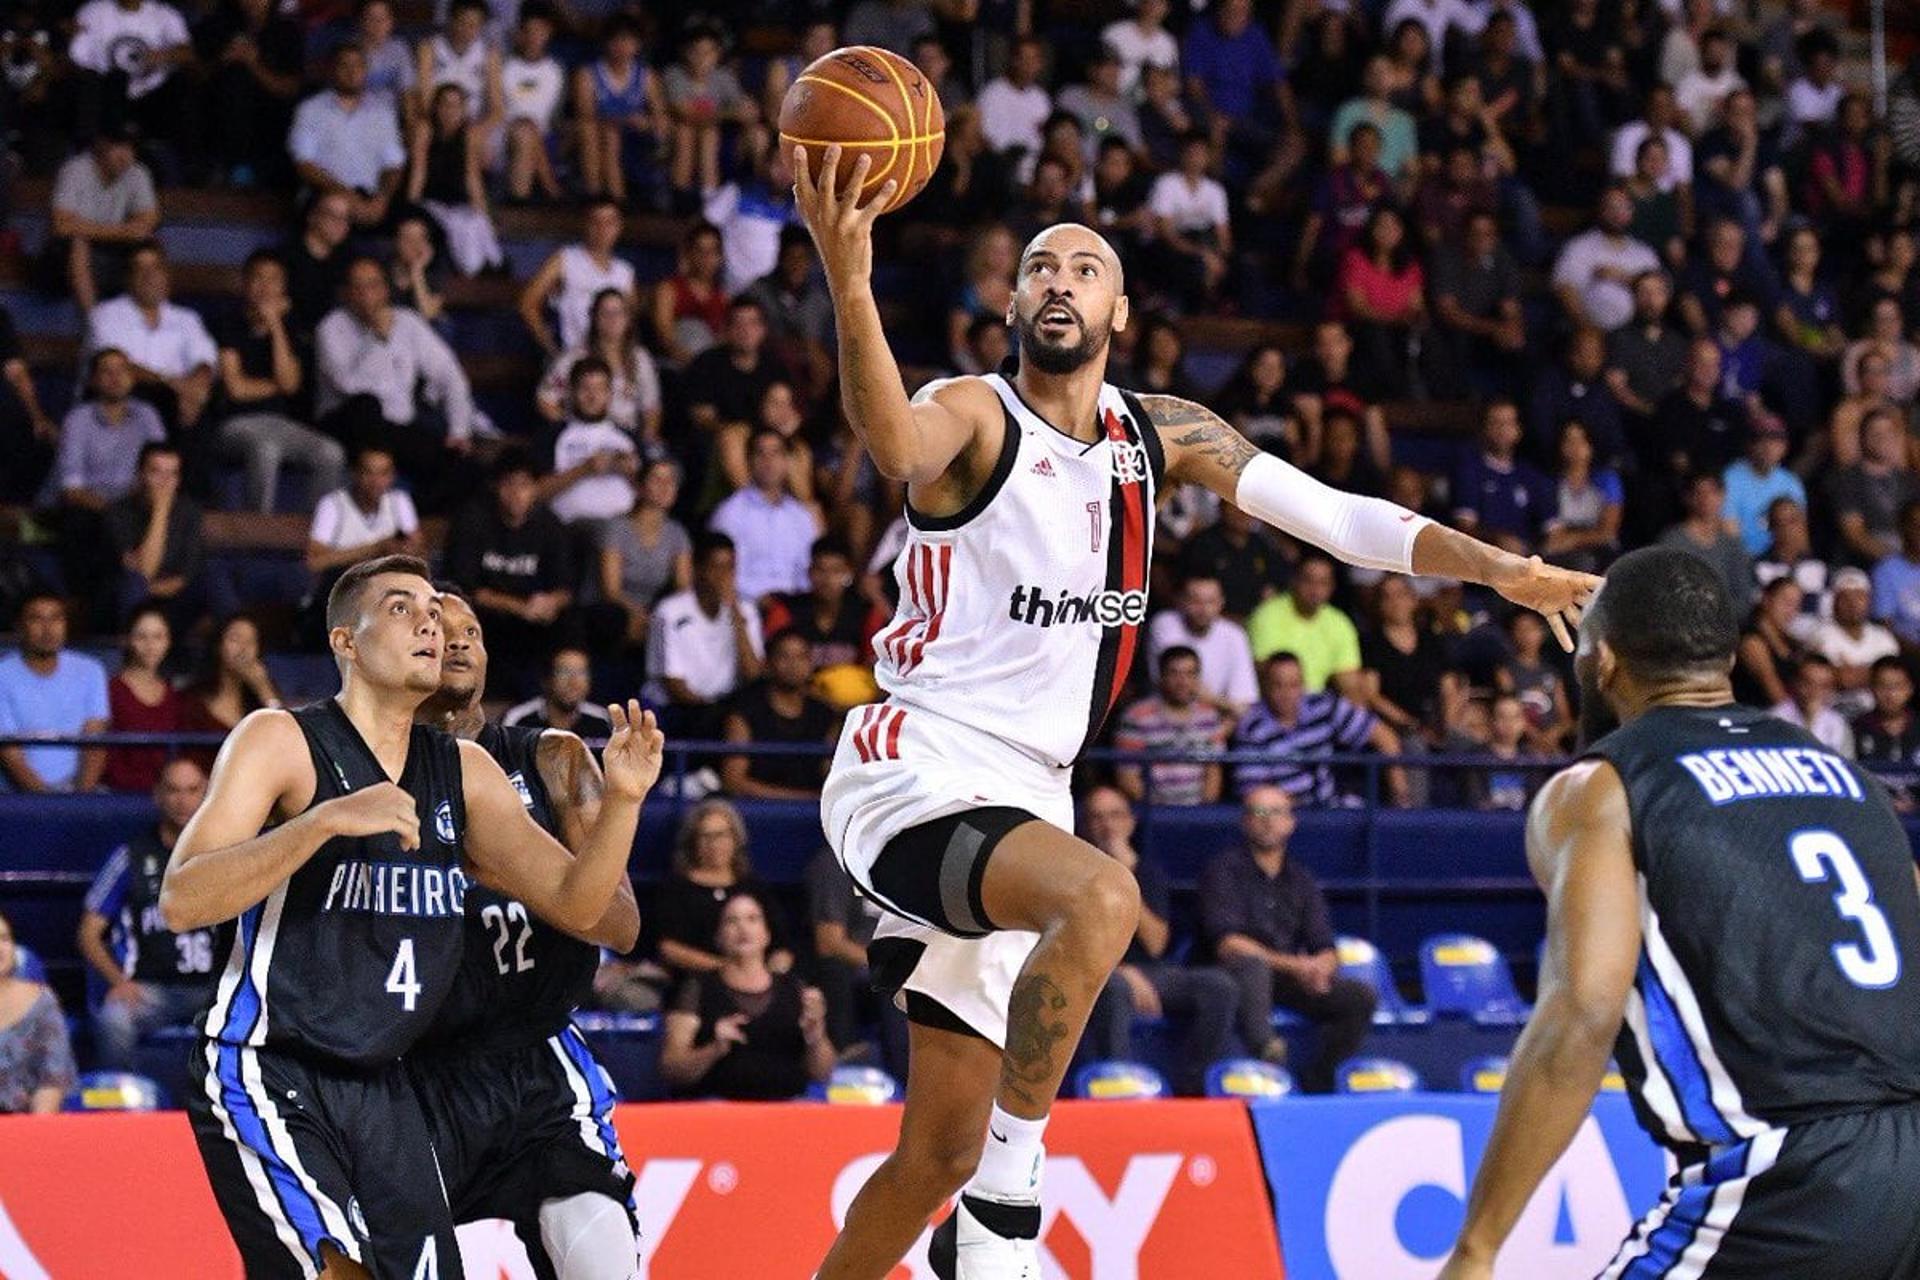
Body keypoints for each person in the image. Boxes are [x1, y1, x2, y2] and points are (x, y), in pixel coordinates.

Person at [793, 153, 1593, 1279]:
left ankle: (957, 1195)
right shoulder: (969, 410)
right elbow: (892, 444)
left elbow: (1333, 517)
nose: (1060, 280)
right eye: (1039, 267)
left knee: (933, 1149)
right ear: (1013, 304)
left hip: (1028, 788)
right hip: (916, 759)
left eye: (1086, 266)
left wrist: (1495, 568)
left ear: (1121, 309)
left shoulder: (1160, 433)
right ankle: (1011, 1203)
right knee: (1106, 894)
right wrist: (848, 278)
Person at [164, 554, 661, 1277]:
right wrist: (324, 823)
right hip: (272, 1061)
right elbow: (182, 899)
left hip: (385, 1084)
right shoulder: (280, 740)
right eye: (403, 608)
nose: (430, 623)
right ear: (346, 642)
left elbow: (583, 907)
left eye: (436, 609)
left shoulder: (466, 774)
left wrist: (622, 802)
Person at [1439, 547, 1920, 1280]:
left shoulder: (1598, 786)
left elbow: (1584, 1009)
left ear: (1602, 663)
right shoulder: (1852, 779)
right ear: (1725, 656)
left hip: (1790, 1171)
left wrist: (1478, 1247)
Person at [410, 587, 643, 1278]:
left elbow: (623, 926)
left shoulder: (554, 758)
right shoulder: (364, 777)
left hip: (535, 1064)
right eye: (435, 629)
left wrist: (513, 870)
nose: (456, 641)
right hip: (411, 1071)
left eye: (472, 631)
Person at [1199, 786, 1376, 1091]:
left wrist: (1321, 967)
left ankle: (1319, 1080)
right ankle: (1267, 1055)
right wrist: (1298, 967)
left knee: (1359, 997)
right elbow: (1228, 944)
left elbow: (1324, 943)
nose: (1268, 821)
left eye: (1277, 813)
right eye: (1259, 813)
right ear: (1245, 822)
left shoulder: (1301, 878)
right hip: (1231, 975)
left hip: (1285, 978)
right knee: (1252, 965)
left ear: (1291, 823)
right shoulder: (1223, 871)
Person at [1078, 786, 1236, 1097]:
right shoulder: (1076, 872)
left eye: (1115, 815)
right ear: (1084, 826)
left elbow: (1155, 943)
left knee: (1219, 985)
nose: (1107, 825)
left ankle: (1192, 1086)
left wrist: (1125, 873)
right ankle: (1116, 1088)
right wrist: (1121, 970)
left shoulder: (1147, 871)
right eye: (1097, 817)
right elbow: (1074, 945)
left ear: (1130, 823)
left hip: (1153, 970)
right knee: (1116, 988)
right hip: (1097, 973)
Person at [78, 758, 214, 1068]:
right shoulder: (131, 856)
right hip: (150, 989)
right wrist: (118, 981)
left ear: (206, 794)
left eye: (192, 790)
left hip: (213, 988)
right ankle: (124, 1107)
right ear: (158, 795)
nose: (183, 800)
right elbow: (88, 933)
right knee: (114, 1021)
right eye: (174, 790)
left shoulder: (224, 853)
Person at [314, 257, 480, 503]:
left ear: (385, 289)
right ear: (347, 293)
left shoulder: (407, 322)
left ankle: (411, 514)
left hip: (395, 429)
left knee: (465, 465)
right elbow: (347, 385)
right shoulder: (331, 327)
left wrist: (458, 430)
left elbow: (449, 374)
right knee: (367, 405)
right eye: (358, 287)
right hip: (344, 422)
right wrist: (376, 339)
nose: (366, 294)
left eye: (373, 286)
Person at [658, 893, 834, 1100]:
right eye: (732, 921)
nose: (743, 928)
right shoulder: (698, 988)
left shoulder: (795, 988)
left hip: (786, 1110)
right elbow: (671, 1068)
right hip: (717, 1112)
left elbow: (822, 1073)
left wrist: (816, 1036)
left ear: (766, 933)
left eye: (752, 919)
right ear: (719, 936)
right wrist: (714, 1049)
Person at [216, 251, 346, 514]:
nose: (265, 287)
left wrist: (275, 323)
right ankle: (259, 527)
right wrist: (276, 385)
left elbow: (290, 383)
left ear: (283, 288)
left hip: (280, 423)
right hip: (234, 424)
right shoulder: (227, 324)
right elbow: (236, 389)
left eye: (273, 280)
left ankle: (318, 536)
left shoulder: (290, 328)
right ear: (245, 283)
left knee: (331, 452)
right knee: (266, 448)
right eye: (258, 278)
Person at [445, 451, 576, 681]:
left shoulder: (550, 525)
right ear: (496, 487)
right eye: (509, 485)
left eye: (524, 486)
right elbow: (467, 589)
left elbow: (565, 588)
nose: (516, 494)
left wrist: (551, 602)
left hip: (533, 614)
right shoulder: (472, 521)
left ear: (535, 489)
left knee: (569, 621)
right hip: (487, 614)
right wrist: (520, 608)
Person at [1233, 652, 1406, 806]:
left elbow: (1385, 738)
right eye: (1278, 685)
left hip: (1329, 808)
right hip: (1280, 815)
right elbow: (1252, 793)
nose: (1286, 694)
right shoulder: (1251, 728)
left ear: (1303, 685)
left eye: (1293, 685)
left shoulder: (1324, 706)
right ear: (1265, 687)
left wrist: (1401, 799)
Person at [648, 799, 793, 982]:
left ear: (736, 839)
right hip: (695, 982)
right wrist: (727, 971)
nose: (714, 844)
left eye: (721, 835)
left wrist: (772, 976)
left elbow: (781, 944)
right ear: (693, 842)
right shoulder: (677, 887)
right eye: (705, 836)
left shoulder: (753, 885)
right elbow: (668, 947)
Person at [84, 241, 218, 433]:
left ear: (167, 275)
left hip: (180, 401)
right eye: (140, 269)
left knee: (207, 400)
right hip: (128, 398)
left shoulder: (187, 318)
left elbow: (205, 361)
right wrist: (173, 385)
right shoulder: (105, 315)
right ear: (128, 278)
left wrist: (194, 389)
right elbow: (115, 367)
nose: (149, 276)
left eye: (156, 268)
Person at [645, 532, 764, 739]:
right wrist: (713, 710)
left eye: (730, 568)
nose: (723, 576)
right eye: (716, 567)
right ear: (698, 569)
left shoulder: (746, 611)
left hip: (726, 708)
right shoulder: (670, 611)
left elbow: (754, 675)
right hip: (676, 709)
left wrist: (734, 612)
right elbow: (674, 685)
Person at [288, 42, 405, 229]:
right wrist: (345, 196)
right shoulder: (310, 110)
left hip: (371, 197)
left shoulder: (383, 113)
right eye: (344, 65)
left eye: (357, 66)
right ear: (332, 70)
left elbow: (393, 165)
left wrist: (382, 199)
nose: (352, 72)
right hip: (325, 193)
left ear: (365, 70)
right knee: (335, 211)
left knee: (412, 223)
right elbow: (304, 163)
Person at [0, 592, 109, 794]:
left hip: (81, 793)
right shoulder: (2, 674)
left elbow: (95, 743)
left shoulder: (91, 670)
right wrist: (50, 806)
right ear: (19, 626)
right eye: (37, 619)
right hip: (20, 797)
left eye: (56, 618)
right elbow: (10, 754)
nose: (48, 628)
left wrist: (79, 800)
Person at [709, 428, 825, 604]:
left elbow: (810, 570)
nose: (768, 461)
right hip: (747, 607)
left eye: (776, 453)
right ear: (749, 461)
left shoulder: (801, 516)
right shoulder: (729, 513)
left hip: (797, 609)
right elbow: (721, 575)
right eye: (760, 453)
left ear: (786, 461)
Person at [49, 125, 158, 312]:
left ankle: (144, 323)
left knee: (147, 249)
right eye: (118, 146)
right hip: (62, 259)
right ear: (101, 146)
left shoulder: (138, 173)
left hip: (114, 252)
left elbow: (147, 223)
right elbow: (61, 225)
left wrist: (85, 227)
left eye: (130, 148)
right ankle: (94, 326)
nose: (125, 155)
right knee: (79, 244)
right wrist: (123, 231)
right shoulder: (75, 170)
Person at [536, 288, 663, 445]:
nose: (612, 319)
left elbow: (651, 408)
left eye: (618, 313)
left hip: (626, 436)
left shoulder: (640, 358)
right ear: (594, 317)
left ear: (628, 318)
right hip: (583, 437)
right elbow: (546, 400)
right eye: (605, 313)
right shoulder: (574, 358)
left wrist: (645, 444)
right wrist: (571, 430)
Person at [721, 628, 837, 799]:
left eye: (801, 657)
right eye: (784, 656)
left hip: (813, 813)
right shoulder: (745, 712)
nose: (793, 665)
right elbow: (733, 781)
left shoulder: (823, 714)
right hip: (758, 810)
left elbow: (831, 773)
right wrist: (799, 798)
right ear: (768, 663)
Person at [104, 441, 204, 629]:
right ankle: (133, 648)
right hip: (130, 599)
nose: (164, 482)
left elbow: (185, 575)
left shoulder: (190, 512)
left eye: (172, 474)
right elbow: (142, 572)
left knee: (215, 577)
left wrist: (155, 587)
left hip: (175, 596)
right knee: (133, 584)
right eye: (156, 472)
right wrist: (161, 511)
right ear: (141, 475)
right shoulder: (118, 512)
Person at [519, 200, 636, 360]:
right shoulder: (564, 259)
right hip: (572, 356)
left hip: (610, 359)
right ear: (586, 224)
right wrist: (553, 349)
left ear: (619, 227)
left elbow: (629, 320)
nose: (602, 229)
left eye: (609, 222)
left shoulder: (625, 271)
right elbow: (528, 304)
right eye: (595, 222)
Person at [407, 82, 503, 277]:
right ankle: (472, 272)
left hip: (457, 201)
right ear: (436, 107)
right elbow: (419, 170)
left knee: (477, 221)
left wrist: (483, 212)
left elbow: (472, 177)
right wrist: (411, 207)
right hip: (430, 200)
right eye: (446, 105)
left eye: (457, 106)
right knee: (460, 225)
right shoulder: (425, 130)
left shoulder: (469, 135)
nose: (451, 111)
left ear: (463, 109)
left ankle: (491, 268)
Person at [597, 458, 692, 650]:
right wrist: (641, 615)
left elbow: (684, 587)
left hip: (656, 612)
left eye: (671, 480)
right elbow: (611, 591)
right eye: (657, 480)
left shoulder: (677, 533)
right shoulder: (617, 528)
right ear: (640, 487)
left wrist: (662, 617)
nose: (665, 486)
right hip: (618, 611)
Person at [1113, 646, 1226, 805]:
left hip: (1198, 814)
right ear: (1161, 676)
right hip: (1151, 814)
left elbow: (1213, 772)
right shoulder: (1135, 716)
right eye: (1174, 673)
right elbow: (1127, 777)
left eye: (1190, 674)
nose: (1183, 682)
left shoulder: (1209, 717)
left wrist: (1202, 811)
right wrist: (1161, 812)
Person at [1246, 554, 1364, 694]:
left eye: (1323, 583)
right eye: (1309, 581)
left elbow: (1349, 682)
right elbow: (1264, 674)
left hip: (1318, 703)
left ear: (1332, 587)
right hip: (1275, 700)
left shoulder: (1340, 623)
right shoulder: (1266, 616)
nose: (1315, 590)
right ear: (1294, 580)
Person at [541, 358, 638, 526]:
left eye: (600, 389)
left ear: (609, 393)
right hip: (569, 528)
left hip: (621, 532)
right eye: (585, 388)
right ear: (571, 391)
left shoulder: (627, 437)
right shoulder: (554, 434)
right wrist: (584, 469)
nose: (592, 396)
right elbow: (535, 492)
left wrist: (633, 474)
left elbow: (654, 491)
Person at [179, 613, 282, 769]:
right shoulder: (194, 699)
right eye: (235, 639)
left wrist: (263, 689)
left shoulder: (259, 702)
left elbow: (283, 737)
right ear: (218, 645)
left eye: (250, 642)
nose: (243, 649)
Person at [104, 603, 186, 793]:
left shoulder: (174, 695)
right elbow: (108, 755)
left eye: (158, 637)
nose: (151, 645)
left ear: (169, 641)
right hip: (121, 795)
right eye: (142, 636)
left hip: (169, 796)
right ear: (127, 640)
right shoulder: (112, 691)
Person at [0, 911, 74, 1114]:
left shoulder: (42, 1002)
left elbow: (53, 1078)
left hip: (24, 1125)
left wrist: (34, 1134)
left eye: (5, 939)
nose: (1, 948)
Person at [1812, 568, 1900, 718]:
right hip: (1832, 715)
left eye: (1859, 597)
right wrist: (1873, 672)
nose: (1852, 604)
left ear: (1869, 600)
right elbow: (1840, 680)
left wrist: (1848, 673)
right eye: (1845, 598)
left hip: (1877, 718)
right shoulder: (1820, 635)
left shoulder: (1883, 638)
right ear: (1834, 601)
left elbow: (1893, 680)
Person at [1852, 657, 1920, 809]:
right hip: (1873, 814)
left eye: (1897, 686)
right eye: (1882, 686)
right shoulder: (1856, 728)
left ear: (1910, 689)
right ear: (1871, 688)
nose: (1890, 694)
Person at [502, 648, 611, 737]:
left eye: (582, 673)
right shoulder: (518, 719)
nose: (574, 682)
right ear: (547, 680)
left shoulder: (602, 719)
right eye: (563, 673)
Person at [1773, 654, 1855, 757]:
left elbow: (1847, 766)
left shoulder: (1838, 724)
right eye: (1808, 683)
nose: (1814, 691)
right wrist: (1809, 719)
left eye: (1823, 686)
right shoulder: (1775, 718)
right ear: (1796, 682)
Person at [1872, 501, 1920, 646]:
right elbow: (1885, 627)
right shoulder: (1885, 571)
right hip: (1908, 652)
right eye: (1916, 526)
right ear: (1903, 528)